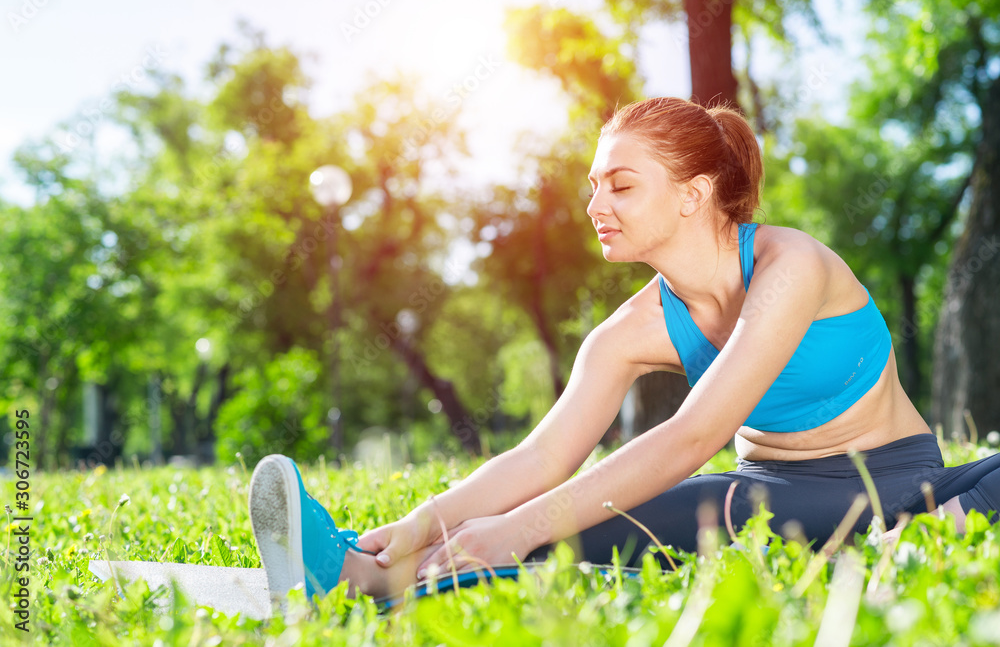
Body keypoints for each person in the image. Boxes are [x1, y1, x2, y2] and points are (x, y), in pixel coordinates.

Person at [248, 96, 1000, 602]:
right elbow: (542, 459)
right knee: (652, 511)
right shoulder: (629, 331)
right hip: (765, 492)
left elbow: (695, 433)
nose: (594, 204)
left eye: (620, 184)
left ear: (692, 194)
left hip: (893, 479)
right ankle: (366, 574)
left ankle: (925, 533)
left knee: (683, 502)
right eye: (592, 184)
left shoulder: (791, 265)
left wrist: (514, 527)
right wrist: (426, 518)